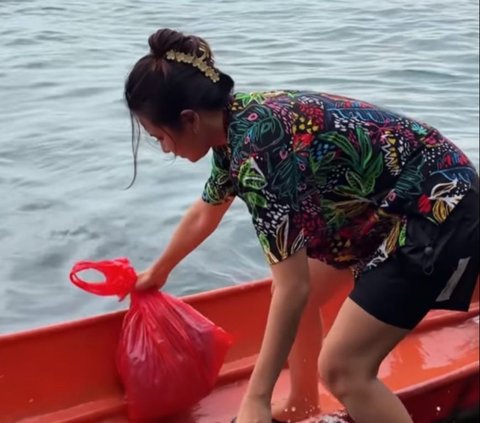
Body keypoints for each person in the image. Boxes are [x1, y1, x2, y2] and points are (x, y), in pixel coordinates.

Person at [124, 28, 479, 423]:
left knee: (343, 369)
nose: (165, 149)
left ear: (188, 120)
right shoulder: (234, 123)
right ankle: (301, 403)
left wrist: (256, 398)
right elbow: (208, 209)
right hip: (390, 203)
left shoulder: (258, 151)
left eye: (159, 137)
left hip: (439, 206)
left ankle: (313, 394)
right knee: (295, 294)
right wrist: (159, 271)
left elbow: (294, 287)